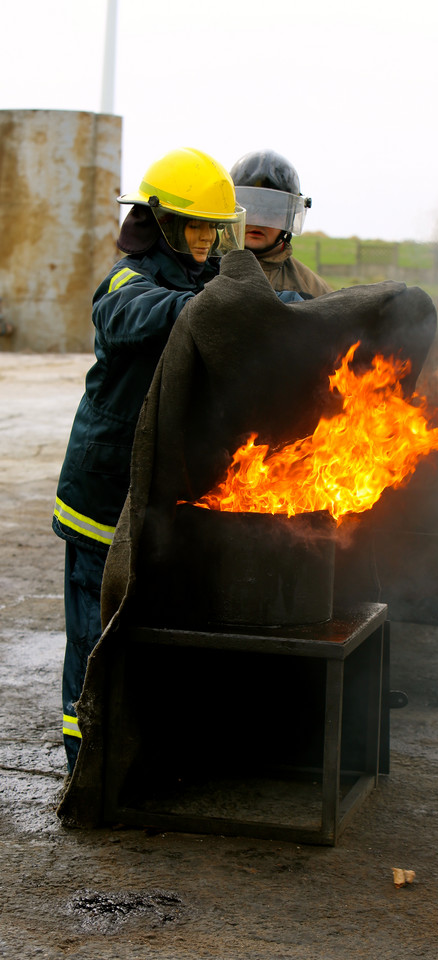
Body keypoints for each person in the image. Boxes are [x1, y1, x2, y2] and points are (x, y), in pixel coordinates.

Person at [52, 146, 247, 772]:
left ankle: (146, 741)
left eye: (214, 229)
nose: (206, 241)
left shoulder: (207, 280)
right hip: (102, 492)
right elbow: (133, 316)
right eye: (195, 226)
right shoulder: (126, 280)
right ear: (162, 222)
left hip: (163, 489)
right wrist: (208, 308)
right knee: (94, 629)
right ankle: (85, 753)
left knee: (157, 621)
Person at [229, 150, 332, 299]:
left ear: (288, 218)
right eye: (250, 208)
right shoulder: (199, 272)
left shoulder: (314, 293)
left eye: (272, 211)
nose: (258, 220)